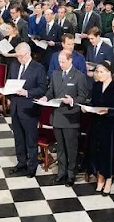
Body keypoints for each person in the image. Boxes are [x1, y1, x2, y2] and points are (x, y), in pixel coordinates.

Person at [38, 50, 89, 186]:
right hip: (57, 116)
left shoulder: (79, 76)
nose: (60, 64)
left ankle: (71, 174)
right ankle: (61, 173)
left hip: (70, 118)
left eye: (63, 62)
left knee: (71, 148)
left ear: (70, 60)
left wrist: (72, 100)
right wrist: (45, 97)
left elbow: (83, 97)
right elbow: (51, 91)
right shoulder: (55, 74)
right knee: (60, 148)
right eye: (59, 62)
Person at [83, 61, 114, 195]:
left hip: (110, 126)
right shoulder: (96, 86)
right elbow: (93, 102)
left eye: (101, 72)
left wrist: (108, 112)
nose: (99, 74)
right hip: (97, 123)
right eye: (97, 72)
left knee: (108, 153)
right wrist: (87, 108)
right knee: (97, 151)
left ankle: (108, 178)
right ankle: (99, 176)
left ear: (109, 72)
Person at [8, 43, 47, 178]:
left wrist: (27, 92)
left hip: (29, 108)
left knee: (30, 139)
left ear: (28, 53)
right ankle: (21, 163)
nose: (19, 59)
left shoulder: (38, 68)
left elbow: (42, 88)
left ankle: (32, 166)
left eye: (21, 56)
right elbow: (10, 82)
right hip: (15, 107)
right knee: (18, 138)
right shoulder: (14, 65)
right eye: (17, 56)